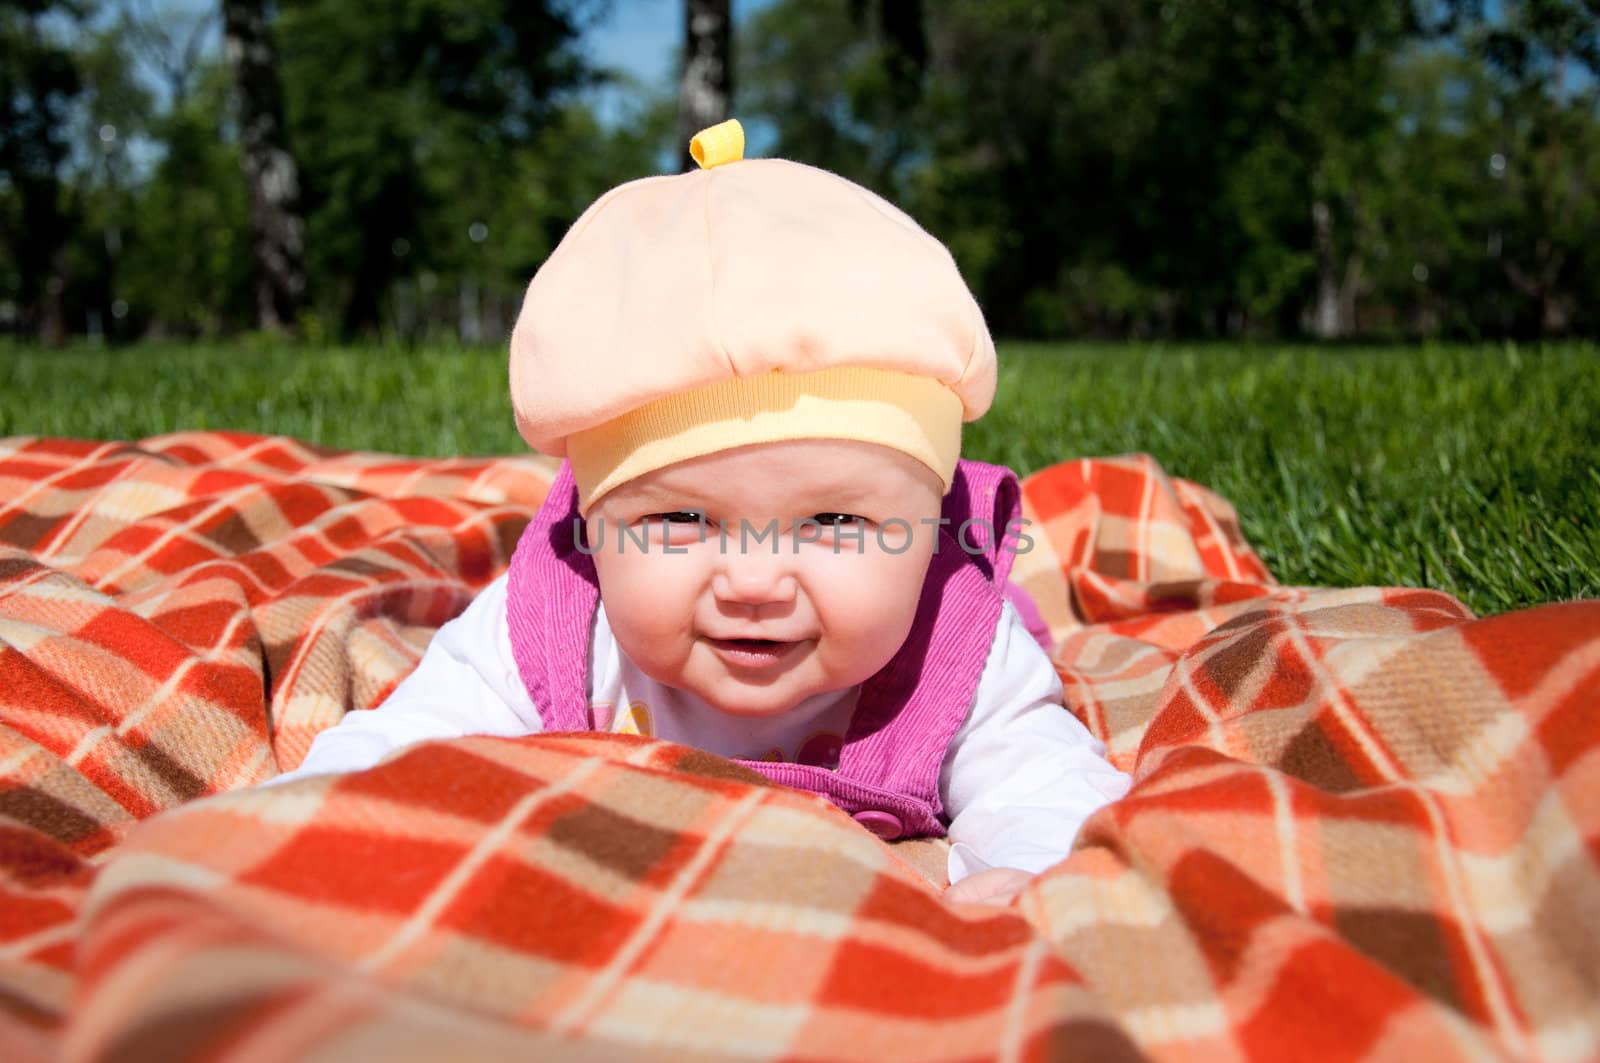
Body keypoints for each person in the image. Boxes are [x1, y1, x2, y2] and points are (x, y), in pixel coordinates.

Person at [271, 120, 1130, 906]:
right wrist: (281, 841)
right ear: (593, 523)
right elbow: (403, 747)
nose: (754, 579)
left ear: (934, 517)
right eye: (681, 520)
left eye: (834, 523)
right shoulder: (554, 629)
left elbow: (1045, 790)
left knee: (1016, 660)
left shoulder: (959, 648)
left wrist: (1026, 882)